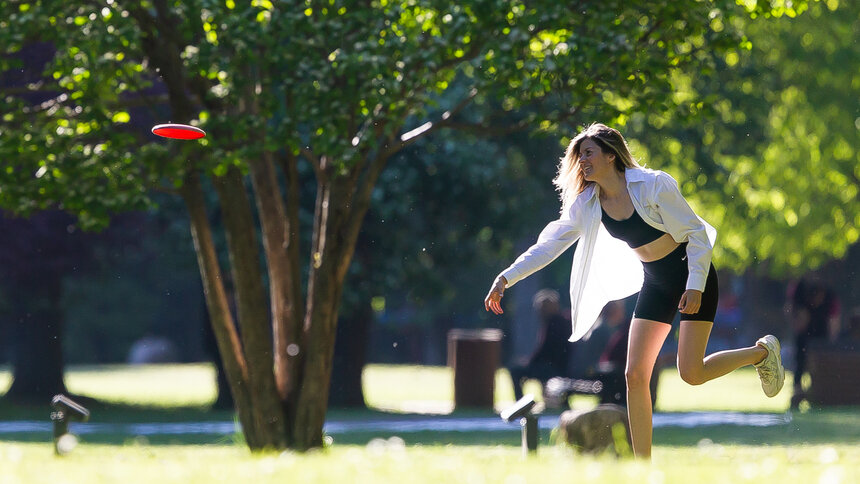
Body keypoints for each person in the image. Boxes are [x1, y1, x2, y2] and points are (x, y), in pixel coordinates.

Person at [483, 123, 784, 458]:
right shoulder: (589, 202)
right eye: (578, 154)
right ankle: (643, 465)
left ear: (610, 155)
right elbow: (549, 245)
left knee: (692, 372)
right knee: (635, 375)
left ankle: (761, 354)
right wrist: (506, 277)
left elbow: (697, 234)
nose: (581, 160)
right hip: (655, 282)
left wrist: (696, 285)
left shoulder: (653, 185)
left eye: (589, 152)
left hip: (691, 274)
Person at [507, 289, 573, 401]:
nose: (540, 311)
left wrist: (529, 362)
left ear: (554, 306)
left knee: (515, 371)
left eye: (543, 307)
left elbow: (546, 351)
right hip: (556, 366)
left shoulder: (555, 323)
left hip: (554, 368)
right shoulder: (558, 321)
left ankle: (520, 401)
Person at [785, 276, 841, 408]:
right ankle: (797, 394)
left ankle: (820, 395)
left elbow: (834, 322)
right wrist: (799, 322)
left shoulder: (830, 296)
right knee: (800, 364)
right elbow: (793, 315)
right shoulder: (800, 293)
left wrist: (831, 342)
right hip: (804, 336)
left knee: (822, 366)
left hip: (822, 337)